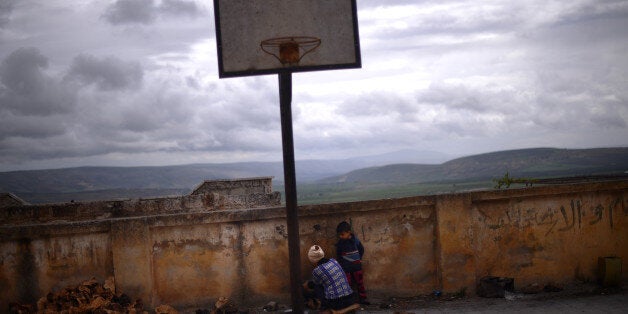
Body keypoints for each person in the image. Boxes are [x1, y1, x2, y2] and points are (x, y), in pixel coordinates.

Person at [303, 245, 356, 312]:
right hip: (350, 298)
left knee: (317, 286)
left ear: (311, 259)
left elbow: (315, 284)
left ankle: (324, 307)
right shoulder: (333, 261)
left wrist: (306, 285)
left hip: (336, 303)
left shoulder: (316, 271)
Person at [336, 221, 369, 304]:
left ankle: (363, 298)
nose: (340, 236)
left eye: (342, 234)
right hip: (346, 268)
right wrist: (342, 264)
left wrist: (358, 258)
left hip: (356, 267)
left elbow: (361, 249)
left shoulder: (355, 241)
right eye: (339, 235)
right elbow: (339, 254)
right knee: (348, 284)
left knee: (360, 283)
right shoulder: (340, 243)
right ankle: (350, 300)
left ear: (349, 232)